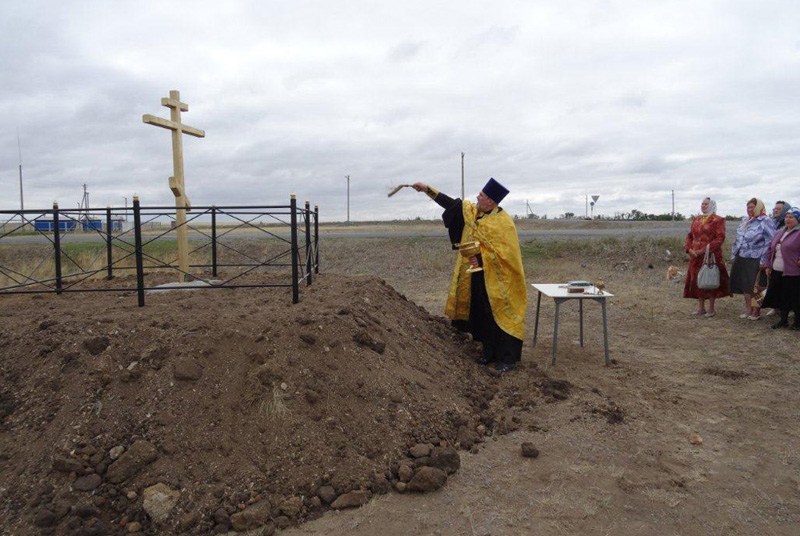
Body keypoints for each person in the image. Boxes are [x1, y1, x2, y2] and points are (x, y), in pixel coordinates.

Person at [411, 178, 527, 373]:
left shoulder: (503, 222)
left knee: (501, 314)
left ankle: (508, 358)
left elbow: (506, 255)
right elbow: (451, 204)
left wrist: (480, 257)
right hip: (478, 275)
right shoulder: (473, 212)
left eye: (481, 195)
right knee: (482, 312)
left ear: (491, 201)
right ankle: (489, 352)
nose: (477, 197)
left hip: (501, 281)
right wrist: (427, 190)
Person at [729, 198, 776, 320]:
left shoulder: (765, 221)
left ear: (759, 207)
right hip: (742, 256)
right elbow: (738, 239)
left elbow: (770, 241)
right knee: (745, 284)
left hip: (756, 258)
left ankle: (756, 311)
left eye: (752, 207)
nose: (749, 209)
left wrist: (764, 260)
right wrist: (734, 255)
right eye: (748, 207)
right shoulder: (745, 220)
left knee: (755, 285)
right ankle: (748, 309)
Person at [683, 197, 729, 317]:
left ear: (711, 205)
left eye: (706, 204)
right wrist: (689, 249)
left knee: (710, 279)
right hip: (695, 256)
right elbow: (690, 236)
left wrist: (703, 251)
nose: (703, 206)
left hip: (711, 255)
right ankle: (701, 308)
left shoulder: (718, 220)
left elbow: (720, 238)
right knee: (698, 280)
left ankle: (711, 309)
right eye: (702, 204)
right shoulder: (697, 219)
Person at [762, 207, 800, 330]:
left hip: (793, 271)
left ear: (798, 219)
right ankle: (783, 321)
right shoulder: (780, 232)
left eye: (791, 217)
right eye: (787, 217)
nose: (788, 219)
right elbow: (770, 249)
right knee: (781, 296)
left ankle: (797, 323)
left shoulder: (798, 233)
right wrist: (768, 265)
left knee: (795, 297)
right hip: (777, 269)